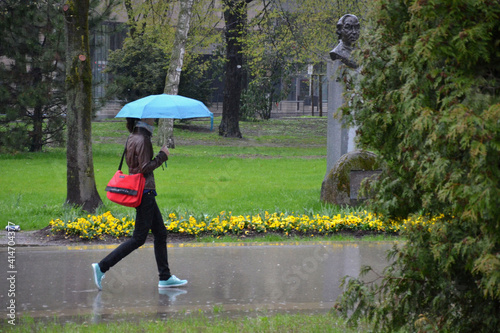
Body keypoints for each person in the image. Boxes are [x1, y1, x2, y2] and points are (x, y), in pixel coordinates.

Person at [92, 117, 187, 290]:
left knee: (160, 233)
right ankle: (102, 266)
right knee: (138, 238)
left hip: (141, 191)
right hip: (145, 192)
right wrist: (162, 156)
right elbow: (144, 167)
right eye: (152, 116)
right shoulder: (143, 139)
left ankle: (165, 277)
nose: (154, 118)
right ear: (143, 118)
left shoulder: (133, 136)